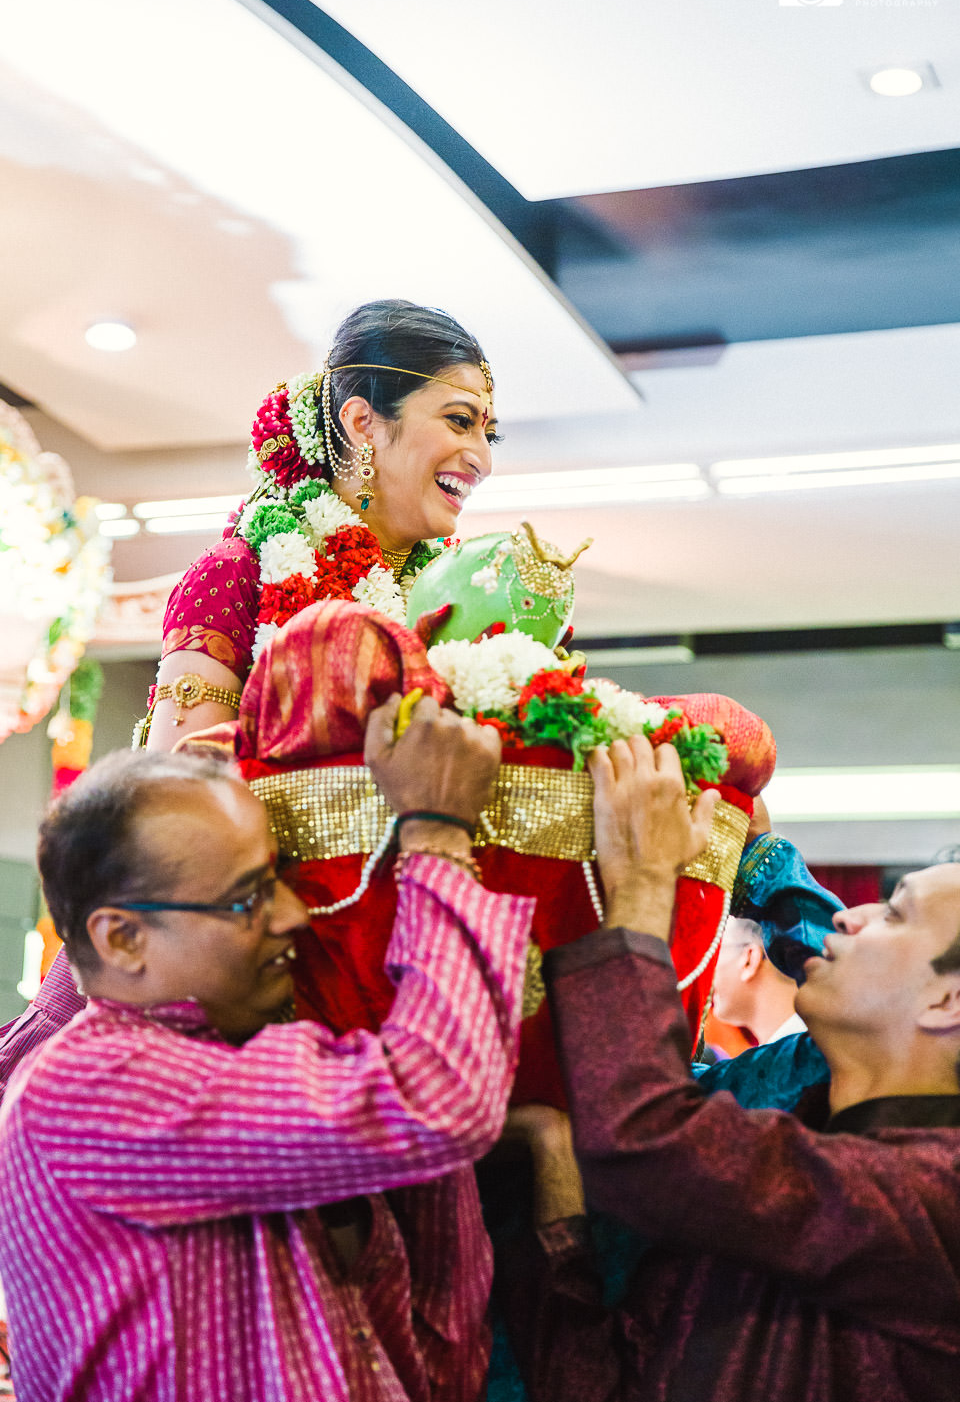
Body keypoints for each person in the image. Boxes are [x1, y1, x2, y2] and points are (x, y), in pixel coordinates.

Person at [0, 696, 534, 1402]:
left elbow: (433, 1351)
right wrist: (435, 834)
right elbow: (434, 1100)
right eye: (249, 897)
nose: (295, 914)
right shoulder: (90, 1082)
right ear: (121, 938)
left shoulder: (231, 1069)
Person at [500, 736, 960, 1402]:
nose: (852, 916)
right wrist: (551, 1155)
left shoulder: (936, 1192)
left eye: (893, 912)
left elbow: (649, 1139)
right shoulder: (807, 1119)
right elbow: (595, 1382)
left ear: (948, 1000)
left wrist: (644, 884)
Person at [143, 299, 499, 749]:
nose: (483, 460)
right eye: (460, 421)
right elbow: (177, 795)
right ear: (363, 422)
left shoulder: (461, 590)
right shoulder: (237, 573)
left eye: (489, 435)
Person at [711, 913, 806, 1046]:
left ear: (750, 960)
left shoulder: (802, 1056)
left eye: (715, 953)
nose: (710, 970)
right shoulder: (813, 1046)